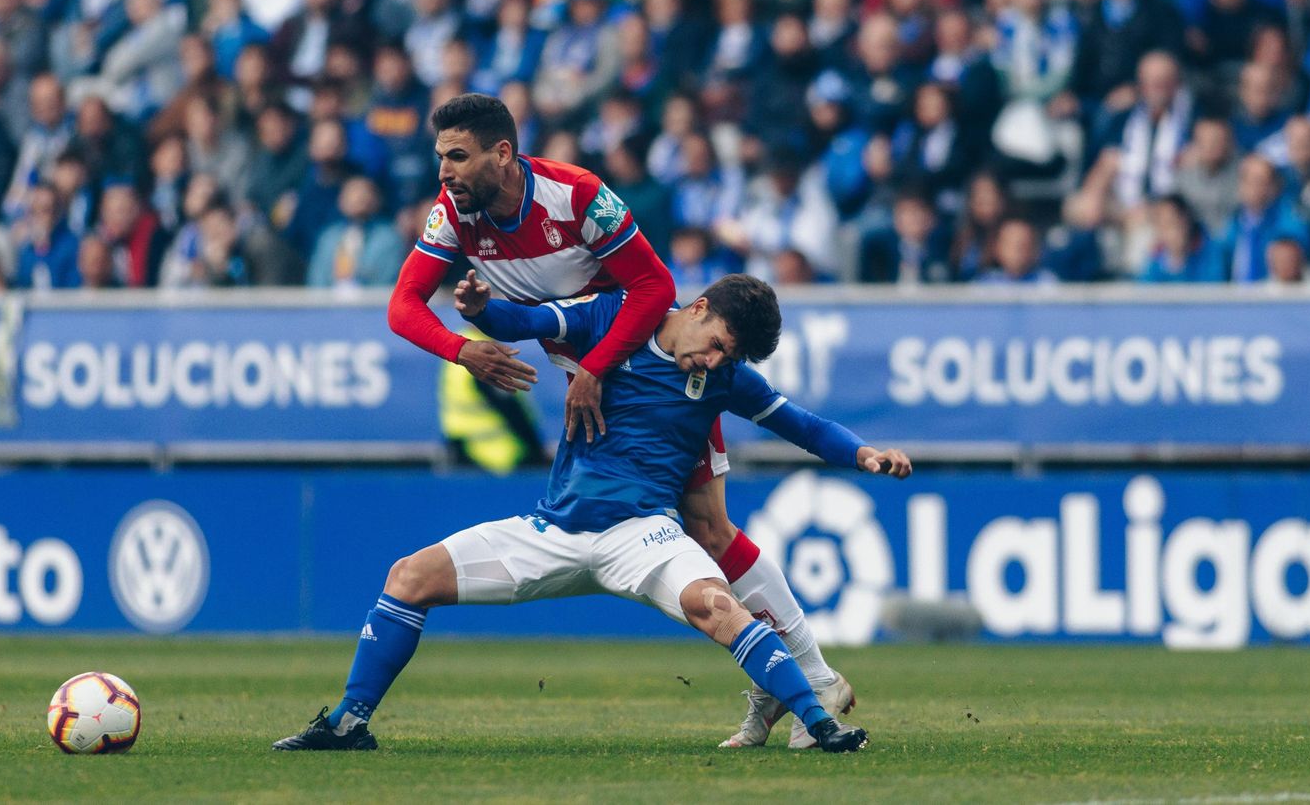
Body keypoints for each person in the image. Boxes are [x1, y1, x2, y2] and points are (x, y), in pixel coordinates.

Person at [388, 93, 856, 749]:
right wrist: (464, 346)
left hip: (648, 363)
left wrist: (597, 366)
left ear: (502, 153)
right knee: (709, 529)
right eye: (440, 156)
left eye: (457, 156)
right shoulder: (454, 213)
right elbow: (404, 306)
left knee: (711, 528)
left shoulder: (577, 195)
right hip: (588, 358)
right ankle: (811, 680)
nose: (444, 171)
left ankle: (817, 679)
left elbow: (655, 287)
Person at [276, 274, 911, 754]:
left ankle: (821, 722)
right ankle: (349, 723)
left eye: (730, 357)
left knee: (720, 607)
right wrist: (479, 311)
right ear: (698, 309)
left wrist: (864, 454)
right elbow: (528, 320)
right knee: (408, 577)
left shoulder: (724, 380)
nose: (716, 361)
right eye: (718, 345)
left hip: (644, 533)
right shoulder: (615, 317)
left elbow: (804, 426)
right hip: (553, 529)